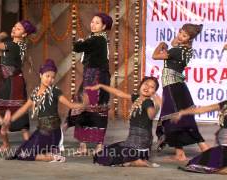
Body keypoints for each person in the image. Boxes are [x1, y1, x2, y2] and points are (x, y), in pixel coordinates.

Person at [3, 59, 87, 162]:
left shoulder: (55, 91)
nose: (50, 79)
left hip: (52, 132)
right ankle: (49, 154)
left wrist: (83, 104)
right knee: (21, 150)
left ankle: (49, 157)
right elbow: (24, 108)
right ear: (40, 75)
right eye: (47, 76)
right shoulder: (35, 93)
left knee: (24, 155)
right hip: (41, 131)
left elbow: (69, 104)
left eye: (52, 77)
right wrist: (10, 120)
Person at [152, 23, 209, 161]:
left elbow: (155, 56)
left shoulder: (177, 51)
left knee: (173, 118)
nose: (180, 36)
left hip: (172, 87)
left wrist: (161, 44)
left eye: (184, 35)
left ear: (189, 38)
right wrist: (174, 41)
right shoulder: (187, 49)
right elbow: (174, 42)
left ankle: (200, 149)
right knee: (180, 118)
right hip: (178, 87)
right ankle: (183, 153)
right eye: (180, 32)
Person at [66, 13, 113, 155]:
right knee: (83, 108)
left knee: (96, 110)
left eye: (97, 23)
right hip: (90, 77)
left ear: (104, 26)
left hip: (97, 79)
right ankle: (83, 146)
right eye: (92, 21)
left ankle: (98, 145)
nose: (93, 25)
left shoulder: (98, 39)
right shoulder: (96, 39)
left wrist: (78, 42)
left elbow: (78, 47)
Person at [87, 77, 161, 167]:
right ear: (140, 85)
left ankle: (136, 161)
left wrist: (157, 106)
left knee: (102, 157)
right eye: (146, 84)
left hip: (139, 146)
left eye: (152, 87)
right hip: (133, 144)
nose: (147, 87)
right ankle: (133, 160)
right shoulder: (137, 98)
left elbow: (151, 115)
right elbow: (119, 93)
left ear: (154, 92)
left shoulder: (148, 102)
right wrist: (101, 86)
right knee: (102, 153)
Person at [0, 20, 36, 151]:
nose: (14, 29)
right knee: (8, 109)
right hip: (10, 81)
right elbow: (24, 59)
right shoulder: (20, 45)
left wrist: (0, 36)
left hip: (13, 82)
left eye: (18, 29)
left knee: (12, 109)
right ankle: (11, 143)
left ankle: (19, 143)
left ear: (24, 34)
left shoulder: (12, 45)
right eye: (15, 26)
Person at [168, 99, 227, 174]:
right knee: (199, 163)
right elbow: (203, 109)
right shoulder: (224, 103)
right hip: (223, 142)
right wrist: (183, 112)